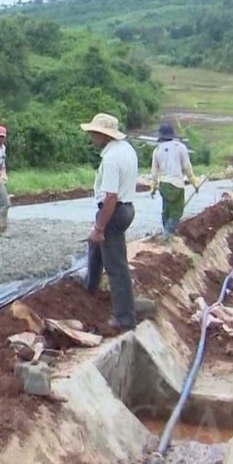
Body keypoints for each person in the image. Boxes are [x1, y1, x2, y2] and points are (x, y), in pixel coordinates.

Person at [80, 112, 139, 331]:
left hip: (114, 211)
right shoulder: (126, 150)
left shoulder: (112, 158)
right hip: (125, 209)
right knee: (95, 246)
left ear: (103, 135)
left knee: (116, 266)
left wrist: (99, 227)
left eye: (94, 133)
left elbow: (111, 197)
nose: (91, 137)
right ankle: (89, 286)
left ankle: (124, 316)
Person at [150, 122, 199, 242]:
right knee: (176, 212)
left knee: (166, 210)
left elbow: (154, 170)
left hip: (164, 185)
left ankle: (167, 231)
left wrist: (153, 186)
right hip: (176, 185)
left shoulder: (157, 150)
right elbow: (187, 167)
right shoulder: (180, 147)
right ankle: (167, 234)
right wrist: (194, 182)